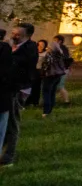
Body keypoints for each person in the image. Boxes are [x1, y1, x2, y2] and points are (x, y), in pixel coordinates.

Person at [2, 23, 39, 166]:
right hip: (8, 88)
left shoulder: (29, 49)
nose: (14, 36)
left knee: (12, 122)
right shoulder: (14, 47)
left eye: (18, 34)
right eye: (13, 33)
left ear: (27, 36)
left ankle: (8, 157)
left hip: (18, 89)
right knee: (4, 121)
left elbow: (15, 64)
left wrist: (8, 50)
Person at [39, 36, 71, 116]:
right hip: (58, 75)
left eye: (49, 47)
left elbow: (45, 66)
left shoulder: (49, 56)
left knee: (46, 92)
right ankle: (50, 109)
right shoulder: (60, 55)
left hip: (49, 75)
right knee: (52, 92)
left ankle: (46, 111)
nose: (47, 48)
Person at [29, 39, 47, 108]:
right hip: (32, 70)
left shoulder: (45, 53)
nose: (40, 46)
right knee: (30, 86)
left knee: (36, 87)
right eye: (39, 44)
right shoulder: (33, 52)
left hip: (39, 71)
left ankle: (35, 102)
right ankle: (28, 101)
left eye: (42, 45)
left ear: (45, 46)